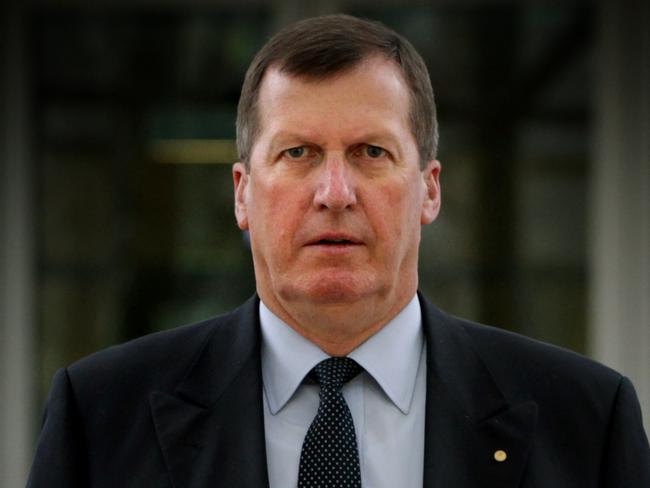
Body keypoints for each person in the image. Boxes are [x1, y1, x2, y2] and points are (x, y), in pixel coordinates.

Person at [27, 14, 649, 488]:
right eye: (296, 153)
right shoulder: (101, 417)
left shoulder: (587, 421)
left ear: (429, 190)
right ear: (243, 194)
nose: (334, 193)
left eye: (370, 153)